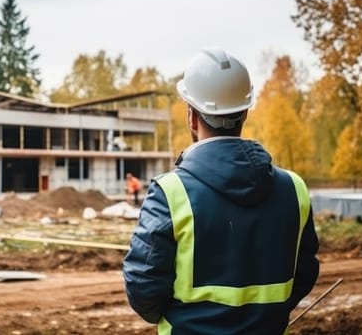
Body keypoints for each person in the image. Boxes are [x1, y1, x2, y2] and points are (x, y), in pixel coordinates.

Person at [123, 47, 319, 334]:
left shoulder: (170, 194)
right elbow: (303, 275)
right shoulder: (294, 189)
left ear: (191, 116)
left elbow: (144, 290)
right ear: (244, 113)